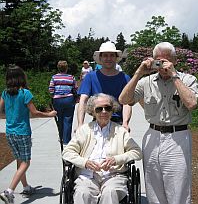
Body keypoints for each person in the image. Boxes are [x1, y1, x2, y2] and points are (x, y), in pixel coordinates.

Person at [119, 42, 198, 204]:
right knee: (153, 185)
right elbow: (124, 99)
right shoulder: (146, 82)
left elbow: (192, 104)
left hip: (178, 137)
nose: (162, 64)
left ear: (175, 60)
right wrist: (138, 73)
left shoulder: (188, 79)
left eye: (166, 60)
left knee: (178, 186)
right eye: (158, 60)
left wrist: (174, 76)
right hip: (153, 136)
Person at [62, 93, 142, 204]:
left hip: (113, 175)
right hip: (87, 176)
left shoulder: (120, 131)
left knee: (110, 192)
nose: (104, 111)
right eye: (99, 109)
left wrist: (116, 159)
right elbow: (67, 152)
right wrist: (85, 162)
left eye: (107, 108)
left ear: (112, 110)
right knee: (82, 193)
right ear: (92, 111)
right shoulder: (84, 130)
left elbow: (137, 152)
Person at [0, 65, 57, 204]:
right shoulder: (25, 93)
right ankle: (9, 191)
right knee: (26, 162)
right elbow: (35, 112)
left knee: (20, 160)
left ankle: (25, 186)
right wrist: (49, 114)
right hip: (23, 132)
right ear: (22, 77)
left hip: (10, 132)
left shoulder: (5, 93)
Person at [77, 41, 132, 130]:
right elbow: (83, 100)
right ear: (101, 58)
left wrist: (125, 123)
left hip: (118, 123)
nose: (108, 58)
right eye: (105, 55)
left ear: (116, 57)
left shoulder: (125, 78)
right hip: (97, 121)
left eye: (111, 55)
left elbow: (127, 103)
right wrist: (80, 123)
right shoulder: (90, 77)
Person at [49, 61, 77, 145]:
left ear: (58, 68)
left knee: (59, 119)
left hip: (57, 100)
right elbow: (75, 88)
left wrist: (53, 96)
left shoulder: (54, 77)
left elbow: (51, 89)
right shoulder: (71, 77)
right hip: (69, 99)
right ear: (67, 68)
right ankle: (66, 139)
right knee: (68, 119)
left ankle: (61, 137)